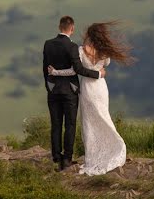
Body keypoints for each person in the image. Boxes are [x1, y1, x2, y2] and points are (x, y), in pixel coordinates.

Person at [47, 20, 134, 175]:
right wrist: (99, 72)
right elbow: (104, 65)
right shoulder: (105, 53)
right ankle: (114, 146)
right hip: (100, 87)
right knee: (103, 116)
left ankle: (92, 156)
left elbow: (76, 70)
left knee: (89, 121)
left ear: (90, 35)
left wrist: (55, 72)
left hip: (87, 87)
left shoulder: (81, 50)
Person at [42, 15, 104, 171]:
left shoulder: (48, 44)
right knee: (69, 125)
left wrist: (49, 85)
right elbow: (78, 70)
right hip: (70, 91)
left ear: (59, 27)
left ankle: (56, 156)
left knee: (56, 124)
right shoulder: (72, 47)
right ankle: (67, 159)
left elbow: (44, 68)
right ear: (72, 28)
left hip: (53, 90)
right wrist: (98, 74)